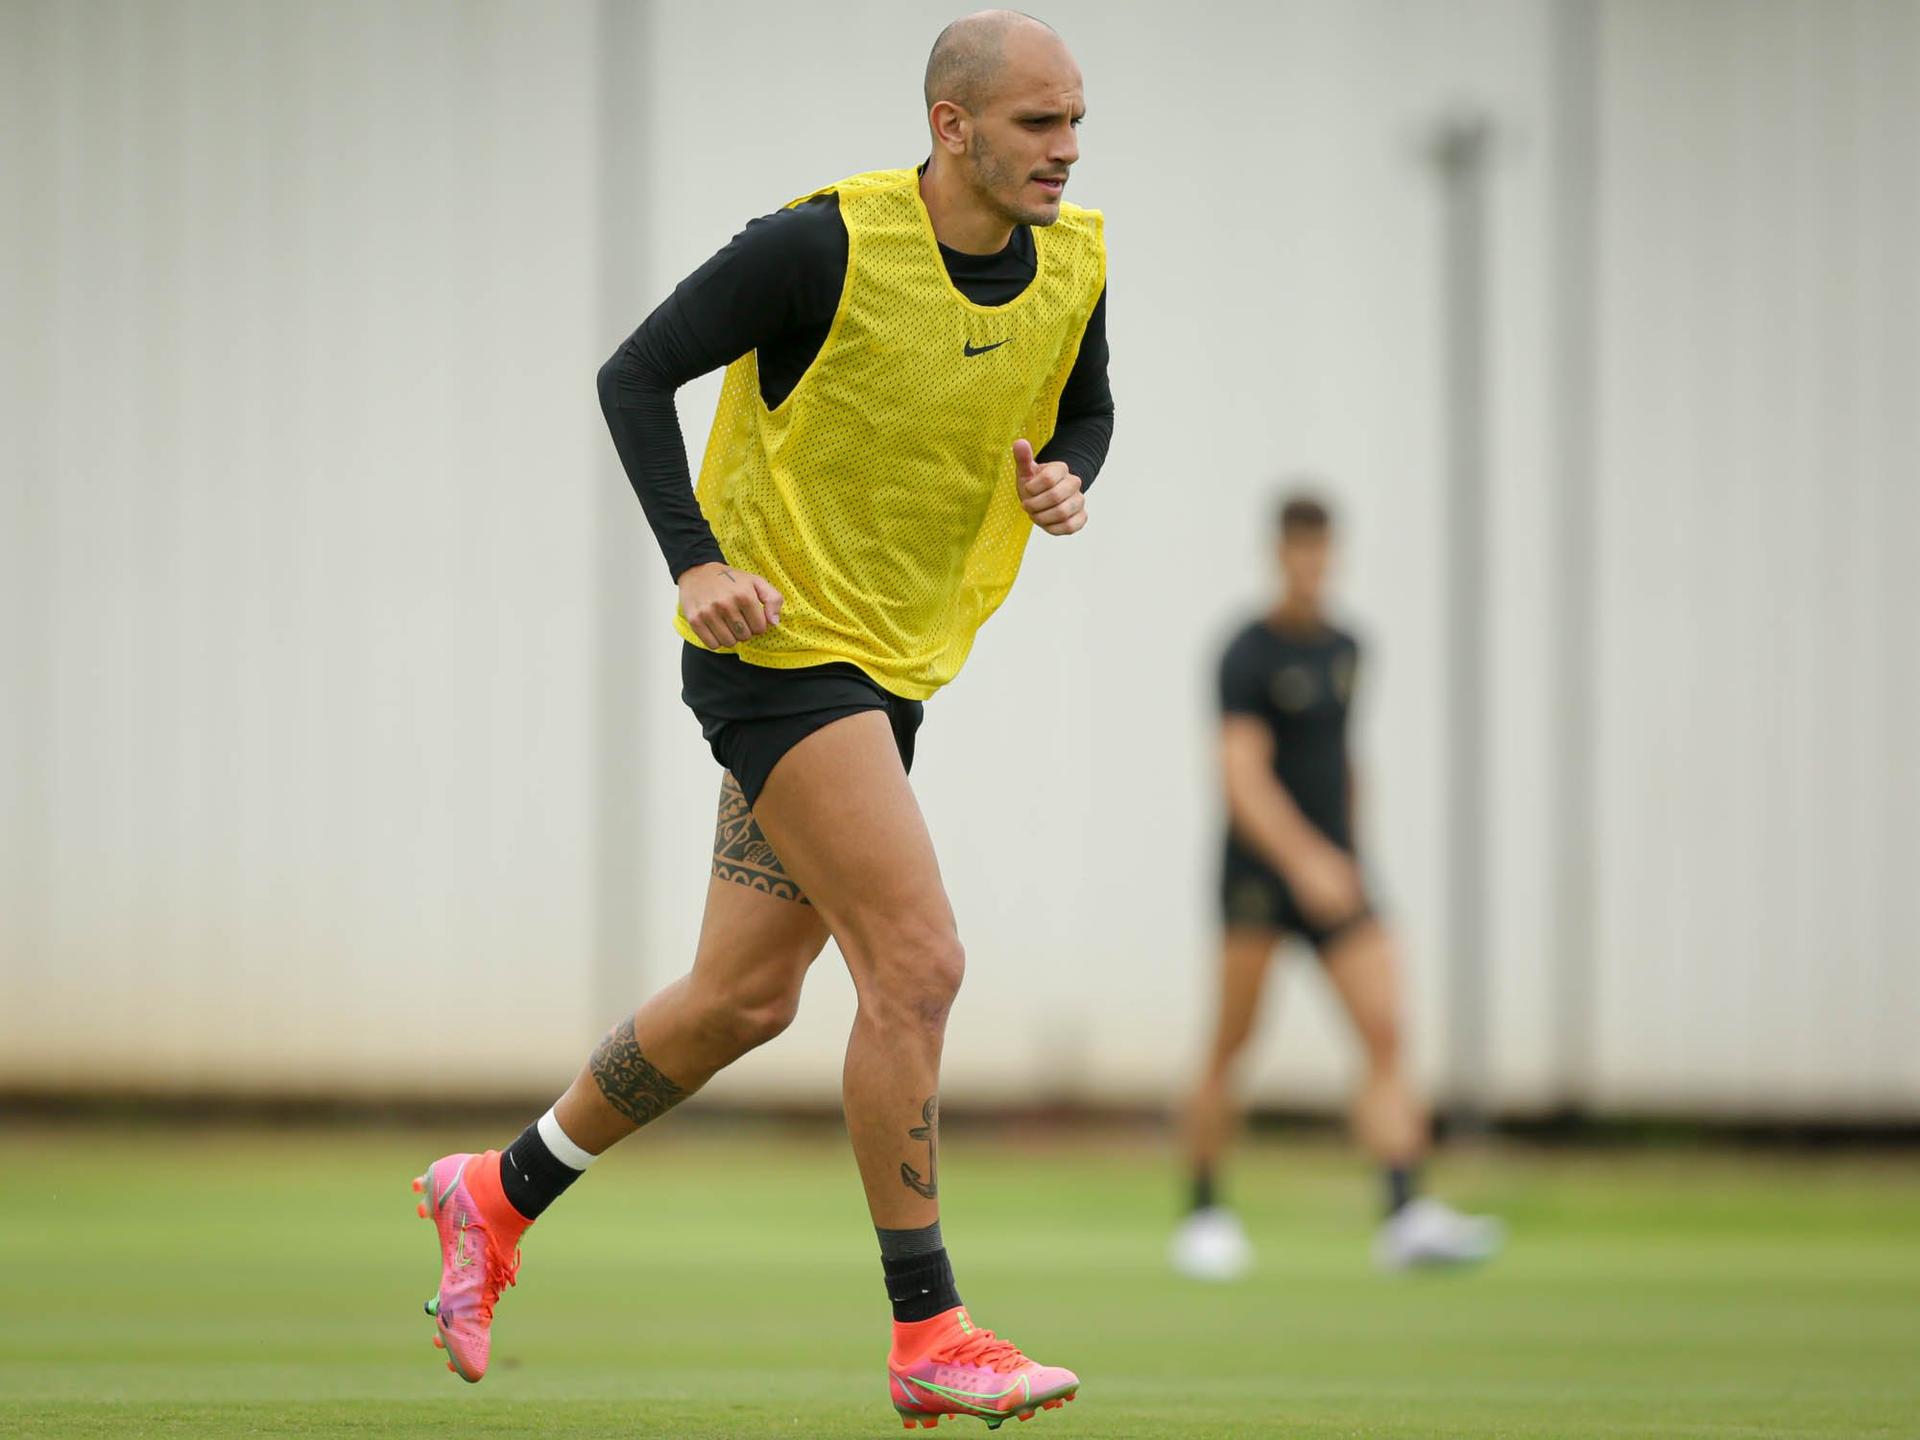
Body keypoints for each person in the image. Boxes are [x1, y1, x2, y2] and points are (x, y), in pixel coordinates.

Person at [410, 11, 1109, 1429]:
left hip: (889, 670)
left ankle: (498, 1190)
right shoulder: (821, 246)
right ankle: (931, 1328)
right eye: (1038, 124)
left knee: (743, 998)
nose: (1067, 148)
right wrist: (696, 562)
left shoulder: (1077, 261)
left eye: (1076, 120)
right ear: (952, 126)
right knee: (917, 964)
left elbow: (1087, 407)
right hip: (782, 662)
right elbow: (632, 375)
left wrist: (1069, 480)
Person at [1171, 493, 1502, 1280]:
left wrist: (1353, 854)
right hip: (1260, 875)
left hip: (1339, 874)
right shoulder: (1244, 653)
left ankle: (1404, 1211)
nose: (1313, 567)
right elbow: (1241, 780)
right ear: (1279, 554)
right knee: (1233, 1041)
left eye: (1324, 552)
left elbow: (1345, 760)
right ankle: (1204, 1212)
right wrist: (1305, 861)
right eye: (1300, 551)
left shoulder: (1350, 648)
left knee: (1386, 1028)